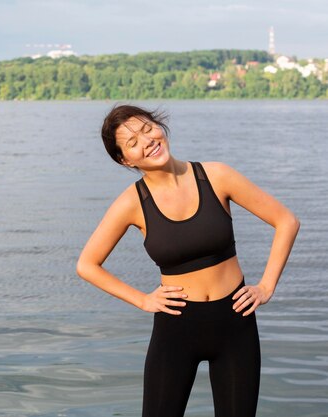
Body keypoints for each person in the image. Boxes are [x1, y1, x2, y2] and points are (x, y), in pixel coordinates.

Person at [76, 105, 299, 417]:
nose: (147, 141)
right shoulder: (131, 203)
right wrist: (142, 300)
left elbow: (286, 221)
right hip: (176, 326)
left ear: (159, 126)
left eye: (146, 129)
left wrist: (265, 287)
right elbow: (87, 264)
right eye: (132, 142)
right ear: (125, 159)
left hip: (235, 321)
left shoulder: (217, 176)